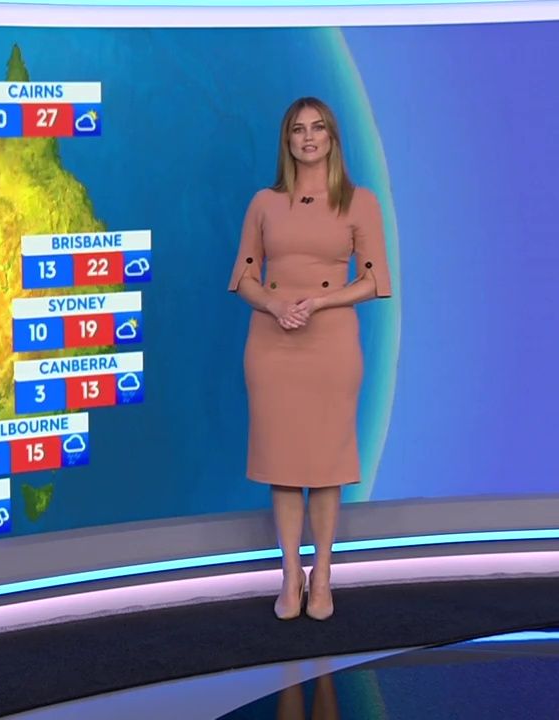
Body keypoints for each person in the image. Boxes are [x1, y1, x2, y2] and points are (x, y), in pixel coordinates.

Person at [227, 97, 392, 621]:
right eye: (298, 130)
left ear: (332, 138)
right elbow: (244, 276)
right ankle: (289, 573)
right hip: (272, 346)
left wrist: (319, 303)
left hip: (330, 345)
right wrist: (274, 304)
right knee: (283, 465)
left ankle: (322, 574)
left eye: (318, 128)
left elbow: (374, 280)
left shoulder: (359, 202)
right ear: (288, 141)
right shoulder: (264, 203)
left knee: (323, 467)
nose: (308, 137)